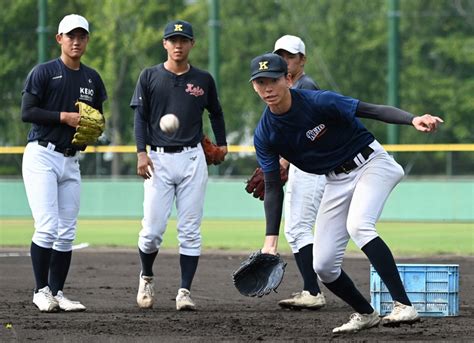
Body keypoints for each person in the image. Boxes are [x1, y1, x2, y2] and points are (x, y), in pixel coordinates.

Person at [249, 53, 443, 333]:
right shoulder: (265, 134)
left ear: (288, 79)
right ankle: (365, 313)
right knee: (324, 265)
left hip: (371, 163)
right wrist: (270, 241)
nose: (267, 88)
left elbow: (372, 110)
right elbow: (272, 185)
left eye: (274, 80)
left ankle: (403, 305)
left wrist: (412, 119)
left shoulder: (319, 101)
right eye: (260, 82)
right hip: (336, 181)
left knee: (359, 225)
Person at [130, 20, 227, 311]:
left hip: (192, 158)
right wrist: (140, 153)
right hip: (157, 159)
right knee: (151, 232)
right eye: (172, 40)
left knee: (190, 230)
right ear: (164, 44)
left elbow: (217, 113)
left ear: (192, 44)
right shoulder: (149, 76)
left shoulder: (203, 79)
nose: (178, 45)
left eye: (183, 40)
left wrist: (221, 144)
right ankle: (146, 275)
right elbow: (139, 117)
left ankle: (184, 291)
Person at [21, 14, 107, 312]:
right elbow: (27, 112)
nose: (76, 41)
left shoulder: (92, 78)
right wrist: (64, 117)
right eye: (70, 35)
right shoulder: (44, 72)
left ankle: (57, 292)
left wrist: (93, 129)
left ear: (87, 40)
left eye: (82, 36)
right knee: (47, 226)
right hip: (42, 155)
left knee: (67, 230)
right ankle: (40, 290)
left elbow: (97, 120)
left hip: (71, 160)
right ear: (59, 38)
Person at [272, 35, 326, 310]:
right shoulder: (286, 88)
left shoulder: (306, 86)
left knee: (298, 228)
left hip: (310, 168)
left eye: (290, 56)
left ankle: (313, 291)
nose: (284, 61)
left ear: (302, 60)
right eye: (279, 56)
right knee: (298, 229)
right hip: (302, 166)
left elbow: (315, 131)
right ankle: (312, 287)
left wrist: (284, 160)